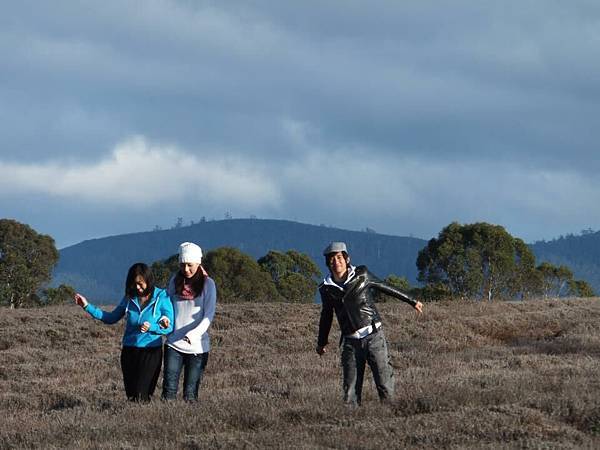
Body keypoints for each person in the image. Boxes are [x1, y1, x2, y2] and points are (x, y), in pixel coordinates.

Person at [316, 241, 423, 406]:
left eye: (339, 257)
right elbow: (327, 315)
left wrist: (412, 300)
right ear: (328, 263)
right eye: (332, 259)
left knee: (384, 382)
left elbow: (384, 287)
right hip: (350, 342)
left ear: (347, 259)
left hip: (374, 337)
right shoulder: (326, 288)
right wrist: (322, 342)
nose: (336, 262)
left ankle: (390, 417)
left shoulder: (362, 274)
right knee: (350, 390)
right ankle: (351, 425)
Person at [73, 262, 173, 402]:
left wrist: (152, 327)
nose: (137, 288)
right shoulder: (129, 298)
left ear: (148, 280)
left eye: (141, 283)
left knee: (141, 394)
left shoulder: (162, 297)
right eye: (134, 284)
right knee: (131, 396)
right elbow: (111, 318)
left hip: (150, 352)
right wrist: (87, 306)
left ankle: (144, 419)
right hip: (129, 351)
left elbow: (169, 326)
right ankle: (134, 421)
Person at [159, 242, 216, 401]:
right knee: (168, 390)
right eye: (182, 265)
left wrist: (194, 334)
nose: (186, 269)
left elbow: (208, 315)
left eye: (190, 265)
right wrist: (164, 320)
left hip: (197, 347)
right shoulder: (174, 281)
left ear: (198, 263)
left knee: (190, 394)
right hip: (173, 344)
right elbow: (166, 306)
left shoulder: (208, 285)